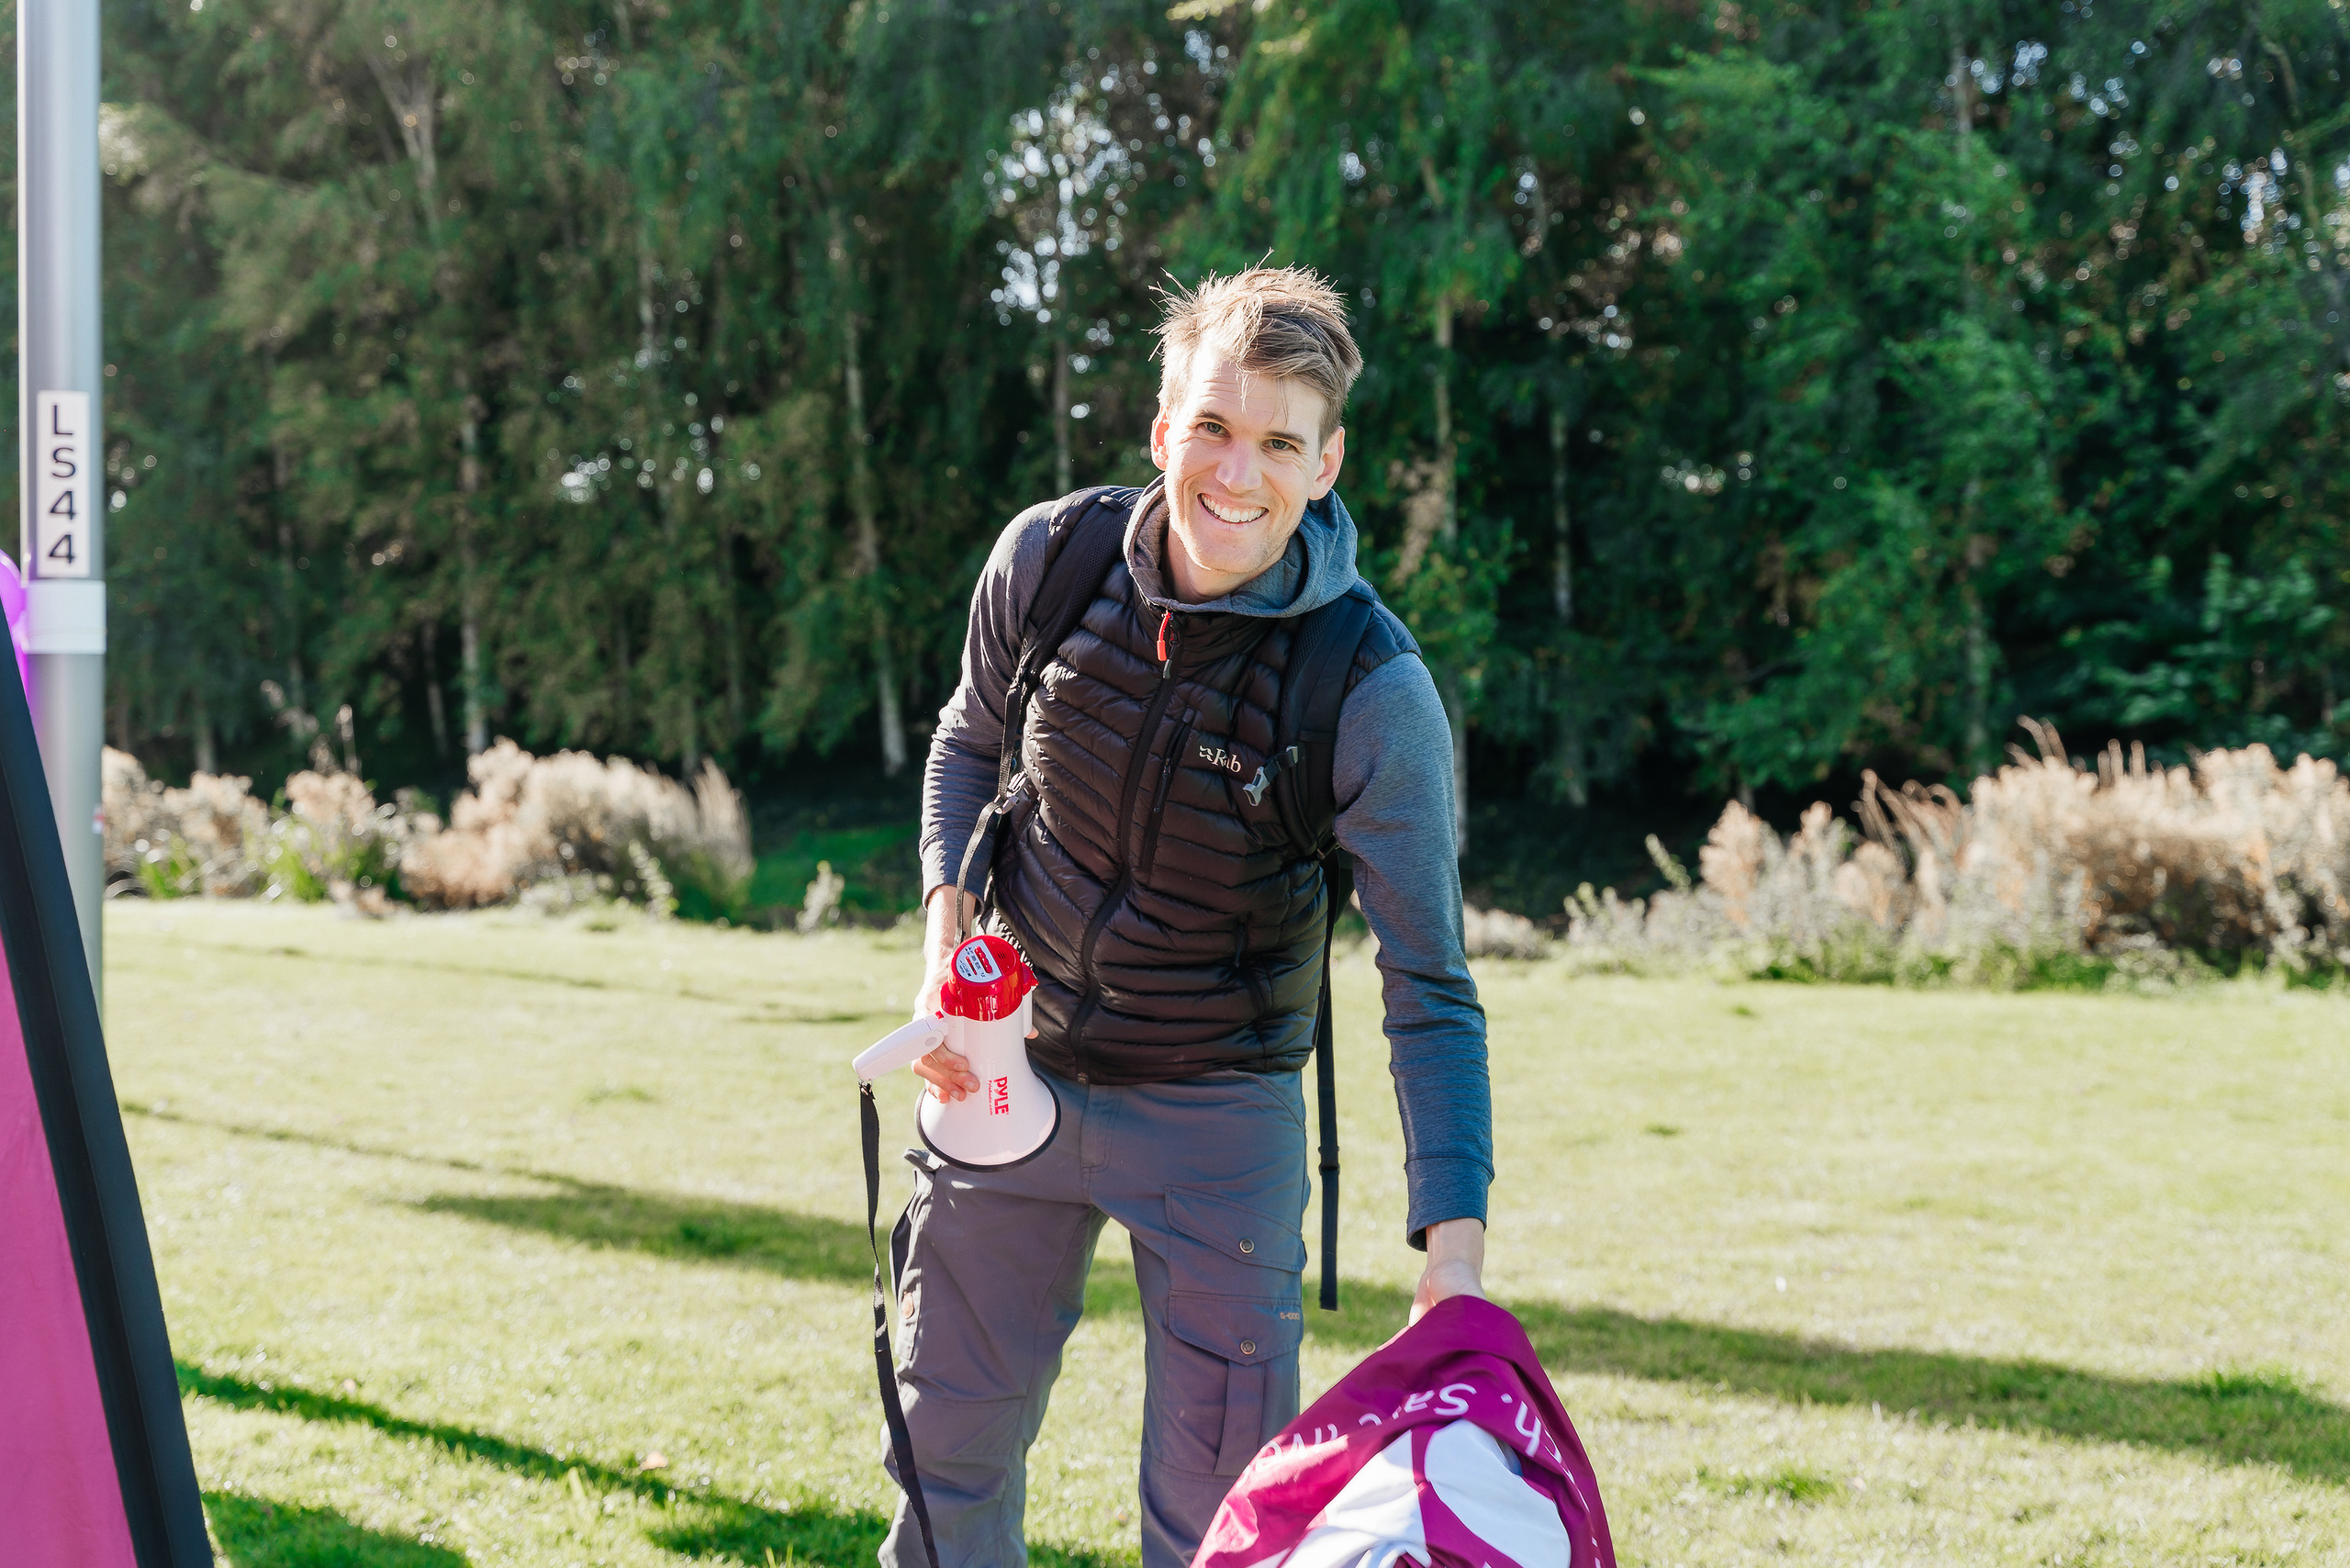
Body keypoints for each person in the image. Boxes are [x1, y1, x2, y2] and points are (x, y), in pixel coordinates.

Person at [883, 265, 1490, 1568]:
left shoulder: (1373, 691)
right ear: (1162, 430)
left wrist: (1456, 1251)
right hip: (1008, 1068)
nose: (1236, 472)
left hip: (1220, 1117)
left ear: (1326, 464)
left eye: (1279, 441)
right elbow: (965, 743)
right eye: (1213, 427)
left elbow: (1429, 981)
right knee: (945, 1467)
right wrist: (946, 938)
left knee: (1220, 1527)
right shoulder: (1046, 560)